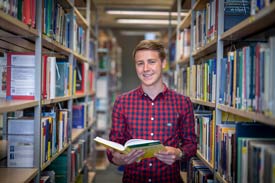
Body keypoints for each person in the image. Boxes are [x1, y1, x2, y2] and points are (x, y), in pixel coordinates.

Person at [107, 40, 197, 183]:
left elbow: (191, 143)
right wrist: (116, 158)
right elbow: (114, 144)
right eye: (140, 63)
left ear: (163, 63)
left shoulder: (182, 102)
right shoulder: (122, 102)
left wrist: (179, 153)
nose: (145, 68)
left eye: (151, 62)